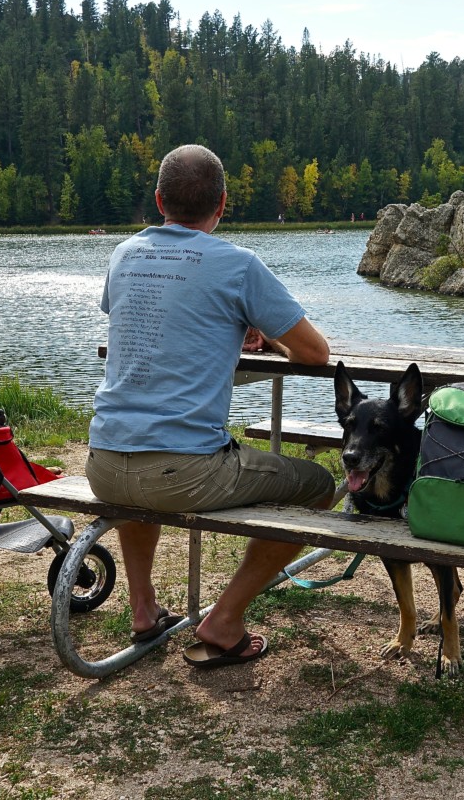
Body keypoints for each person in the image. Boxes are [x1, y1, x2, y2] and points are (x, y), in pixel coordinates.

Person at [88, 144, 336, 668]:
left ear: (159, 200)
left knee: (142, 465)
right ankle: (223, 621)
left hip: (103, 462)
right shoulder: (238, 265)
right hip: (184, 471)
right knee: (317, 486)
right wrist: (266, 337)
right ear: (222, 204)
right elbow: (316, 354)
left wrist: (229, 323)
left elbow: (148, 315)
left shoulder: (124, 254)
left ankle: (143, 609)